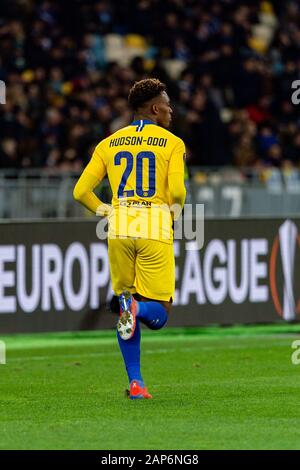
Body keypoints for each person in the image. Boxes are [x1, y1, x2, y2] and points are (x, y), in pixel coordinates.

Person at [73, 78, 186, 399]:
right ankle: (135, 308)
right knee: (159, 313)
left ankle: (136, 383)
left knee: (126, 303)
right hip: (154, 225)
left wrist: (106, 211)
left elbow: (80, 191)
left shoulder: (108, 143)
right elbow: (177, 191)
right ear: (154, 108)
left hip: (119, 226)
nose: (170, 109)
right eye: (166, 104)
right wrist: (173, 215)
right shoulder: (172, 143)